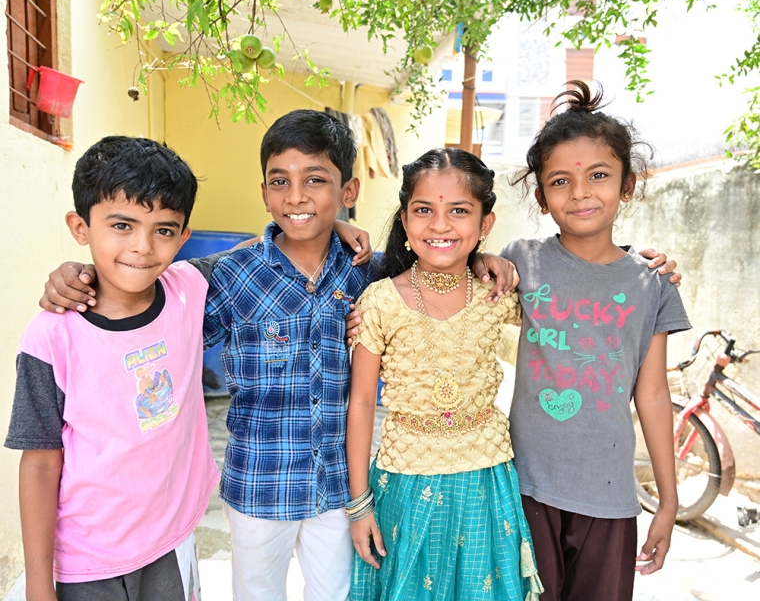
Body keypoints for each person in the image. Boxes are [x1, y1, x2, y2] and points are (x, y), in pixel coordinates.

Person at [37, 112, 523, 601]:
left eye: (316, 180)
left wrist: (482, 259)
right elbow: (149, 293)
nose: (296, 196)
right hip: (258, 485)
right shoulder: (232, 275)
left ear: (348, 191)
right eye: (280, 181)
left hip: (337, 489)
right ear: (265, 191)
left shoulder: (369, 274)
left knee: (336, 594)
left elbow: (434, 262)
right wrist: (81, 276)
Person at [4, 136, 219, 600]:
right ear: (80, 227)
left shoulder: (188, 289)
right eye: (122, 224)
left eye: (164, 230)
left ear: (183, 237)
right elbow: (39, 464)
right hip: (88, 562)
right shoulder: (51, 336)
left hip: (170, 541)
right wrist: (39, 587)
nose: (142, 247)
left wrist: (335, 229)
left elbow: (267, 254)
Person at [502, 81, 692, 601]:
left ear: (627, 185)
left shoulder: (651, 283)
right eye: (560, 181)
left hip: (608, 498)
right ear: (542, 197)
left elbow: (651, 395)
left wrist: (668, 502)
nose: (581, 192)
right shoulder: (520, 259)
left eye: (599, 175)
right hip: (523, 489)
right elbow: (441, 271)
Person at [347, 147, 544, 600]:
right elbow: (360, 403)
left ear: (485, 224)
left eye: (459, 211)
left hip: (485, 478)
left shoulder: (498, 297)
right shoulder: (379, 301)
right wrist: (359, 506)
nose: (439, 225)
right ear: (404, 220)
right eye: (424, 210)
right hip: (404, 481)